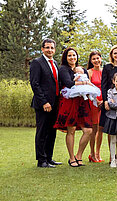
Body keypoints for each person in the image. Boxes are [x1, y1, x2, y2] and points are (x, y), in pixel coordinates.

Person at [54, 47, 93, 167]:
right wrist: (83, 83)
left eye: (74, 55)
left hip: (83, 102)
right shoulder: (63, 69)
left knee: (88, 130)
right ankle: (71, 158)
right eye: (69, 55)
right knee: (71, 130)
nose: (72, 58)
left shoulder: (82, 69)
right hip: (70, 102)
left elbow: (89, 83)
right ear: (66, 57)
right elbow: (69, 83)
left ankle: (79, 155)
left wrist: (86, 84)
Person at [29, 38, 61, 168]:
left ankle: (49, 158)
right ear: (42, 49)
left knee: (52, 132)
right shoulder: (37, 63)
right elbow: (35, 84)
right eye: (47, 47)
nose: (49, 50)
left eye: (52, 48)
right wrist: (44, 102)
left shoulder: (55, 63)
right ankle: (41, 160)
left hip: (55, 103)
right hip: (44, 104)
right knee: (42, 132)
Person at [87, 51, 104, 163]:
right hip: (93, 102)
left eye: (98, 58)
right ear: (91, 61)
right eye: (94, 59)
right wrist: (96, 100)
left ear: (101, 59)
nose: (96, 61)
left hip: (103, 101)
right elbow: (87, 88)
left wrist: (103, 100)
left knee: (101, 129)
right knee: (94, 128)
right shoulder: (89, 72)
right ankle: (92, 153)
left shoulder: (104, 71)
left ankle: (98, 152)